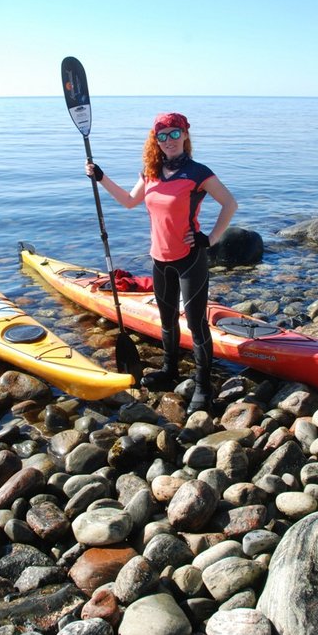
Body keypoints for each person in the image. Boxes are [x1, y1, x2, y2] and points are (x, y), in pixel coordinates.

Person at [85, 112, 238, 414]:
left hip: (189, 259)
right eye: (162, 135)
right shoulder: (150, 172)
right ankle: (170, 371)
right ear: (155, 139)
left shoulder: (197, 173)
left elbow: (230, 203)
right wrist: (101, 177)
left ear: (185, 135)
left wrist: (210, 238)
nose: (169, 140)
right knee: (166, 321)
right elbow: (129, 201)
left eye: (174, 133)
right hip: (159, 259)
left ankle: (204, 387)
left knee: (195, 325)